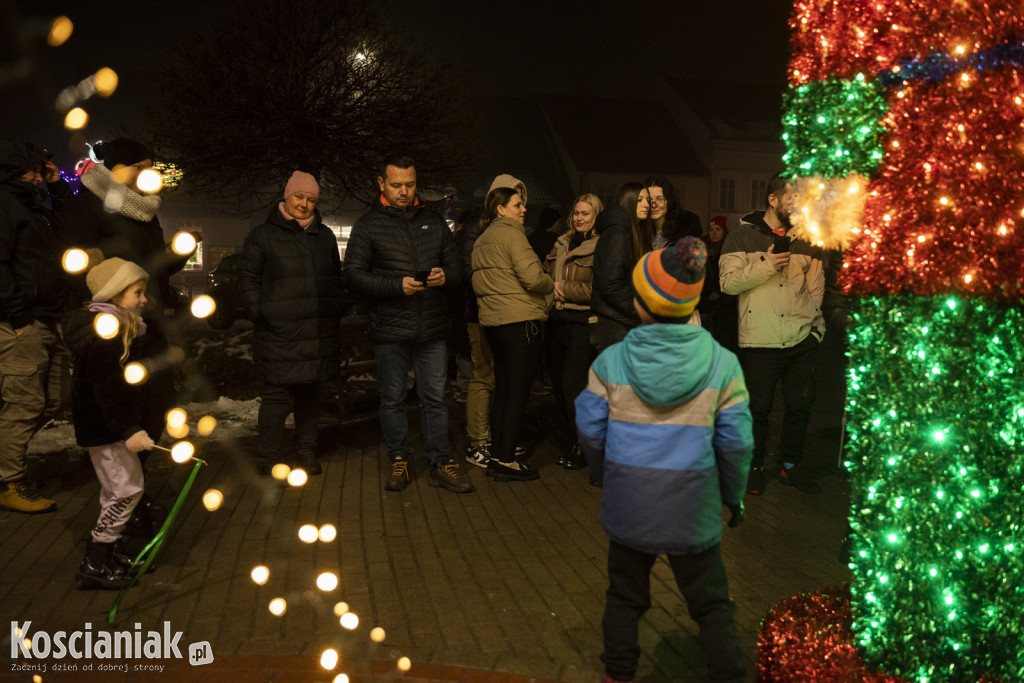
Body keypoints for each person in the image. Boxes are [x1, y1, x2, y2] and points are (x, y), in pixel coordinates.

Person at [575, 236, 752, 683]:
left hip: (630, 502)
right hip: (692, 506)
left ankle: (618, 674)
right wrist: (732, 496)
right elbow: (736, 443)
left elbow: (590, 427)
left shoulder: (611, 362)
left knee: (625, 597)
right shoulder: (723, 364)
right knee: (711, 604)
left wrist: (603, 474)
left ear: (640, 304)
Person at [58, 138, 195, 528]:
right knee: (121, 408)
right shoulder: (86, 205)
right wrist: (115, 298)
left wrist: (175, 255)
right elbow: (81, 266)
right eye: (140, 166)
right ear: (117, 170)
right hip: (113, 329)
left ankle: (134, 487)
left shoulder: (145, 211)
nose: (147, 174)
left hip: (147, 324)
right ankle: (124, 500)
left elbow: (151, 267)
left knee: (157, 405)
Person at [343, 155, 472, 494]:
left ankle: (440, 459)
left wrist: (447, 276)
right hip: (390, 329)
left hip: (431, 326)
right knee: (393, 399)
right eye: (397, 184)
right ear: (381, 183)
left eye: (410, 184)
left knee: (434, 398)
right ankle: (399, 457)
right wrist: (394, 286)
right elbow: (353, 276)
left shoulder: (432, 221)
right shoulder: (368, 225)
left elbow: (457, 265)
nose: (404, 191)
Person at [719, 174, 825, 495]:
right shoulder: (740, 237)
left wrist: (814, 333)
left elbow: (816, 292)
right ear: (773, 199)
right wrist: (767, 262)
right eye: (791, 197)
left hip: (801, 341)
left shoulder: (809, 239)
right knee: (757, 410)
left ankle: (790, 466)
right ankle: (753, 468)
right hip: (759, 341)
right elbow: (728, 284)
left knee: (800, 408)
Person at [62, 258, 161, 589]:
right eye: (138, 293)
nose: (144, 299)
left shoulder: (119, 329)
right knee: (126, 490)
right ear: (116, 295)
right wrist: (129, 429)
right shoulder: (106, 335)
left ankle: (109, 551)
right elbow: (107, 389)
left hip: (110, 427)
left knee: (120, 488)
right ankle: (96, 559)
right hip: (106, 429)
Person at [237, 171, 342, 476]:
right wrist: (261, 312)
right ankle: (269, 456)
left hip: (315, 333)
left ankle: (306, 452)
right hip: (279, 333)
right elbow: (248, 280)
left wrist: (334, 308)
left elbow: (334, 278)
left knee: (310, 397)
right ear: (286, 196)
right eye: (299, 197)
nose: (304, 204)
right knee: (277, 398)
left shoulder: (324, 236)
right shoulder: (262, 237)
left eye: (311, 199)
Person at [0, 140, 70, 513]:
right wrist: (18, 317)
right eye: (37, 169)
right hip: (23, 322)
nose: (42, 174)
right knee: (23, 404)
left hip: (47, 317)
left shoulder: (34, 206)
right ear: (19, 171)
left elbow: (66, 222)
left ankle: (7, 468)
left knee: (52, 399)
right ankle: (9, 483)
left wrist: (56, 185)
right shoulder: (6, 204)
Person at [472, 185, 553, 481]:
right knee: (518, 394)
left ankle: (496, 455)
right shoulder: (512, 234)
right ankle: (506, 460)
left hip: (494, 326)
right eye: (518, 205)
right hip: (521, 325)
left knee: (503, 391)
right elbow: (533, 278)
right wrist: (549, 284)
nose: (524, 209)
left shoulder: (482, 240)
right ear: (501, 209)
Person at [543, 193, 602, 470]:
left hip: (581, 324)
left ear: (595, 216)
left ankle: (584, 446)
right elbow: (545, 274)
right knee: (558, 387)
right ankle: (573, 442)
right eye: (577, 213)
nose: (579, 218)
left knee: (573, 387)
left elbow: (595, 291)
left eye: (585, 213)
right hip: (556, 321)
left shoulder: (600, 246)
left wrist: (562, 289)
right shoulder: (562, 243)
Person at [590, 183, 650, 352]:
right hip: (613, 324)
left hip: (620, 323)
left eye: (647, 199)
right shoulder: (618, 233)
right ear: (629, 201)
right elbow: (610, 284)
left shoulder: (630, 232)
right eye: (640, 200)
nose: (647, 204)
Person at [701, 216, 739, 354]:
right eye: (711, 230)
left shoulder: (730, 249)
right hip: (706, 306)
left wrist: (720, 294)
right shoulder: (701, 250)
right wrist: (707, 293)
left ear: (724, 231)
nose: (714, 233)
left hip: (726, 306)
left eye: (718, 229)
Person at [643, 175, 702, 250]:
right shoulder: (640, 232)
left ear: (669, 201)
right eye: (649, 200)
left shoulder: (686, 228)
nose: (654, 205)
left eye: (660, 199)